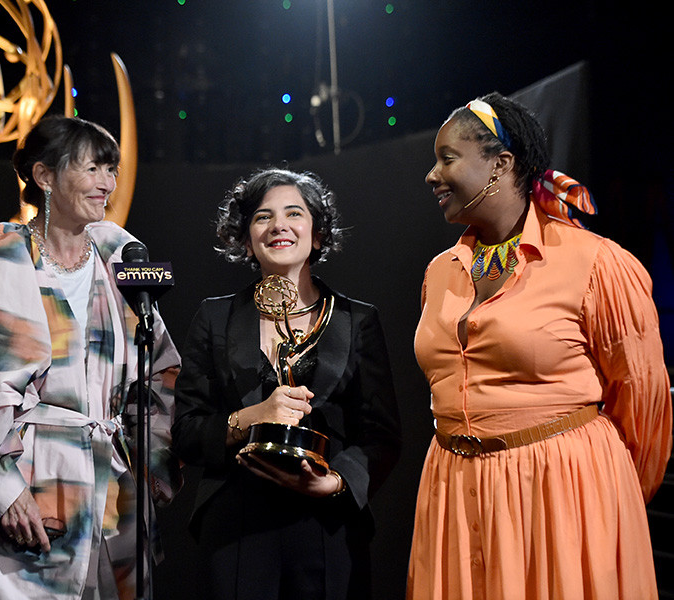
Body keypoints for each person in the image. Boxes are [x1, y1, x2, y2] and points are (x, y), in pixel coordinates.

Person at [407, 92, 672, 599]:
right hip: (455, 497)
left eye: (447, 158)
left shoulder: (594, 263)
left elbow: (643, 401)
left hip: (563, 496)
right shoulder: (441, 272)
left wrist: (608, 494)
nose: (432, 175)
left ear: (500, 164)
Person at [0, 115, 181, 599]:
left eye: (111, 169)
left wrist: (151, 465)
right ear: (45, 176)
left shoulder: (121, 254)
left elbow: (159, 367)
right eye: (93, 169)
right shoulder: (1, 255)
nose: (108, 183)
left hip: (116, 494)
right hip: (32, 482)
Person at [172, 168, 402, 599]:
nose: (279, 225)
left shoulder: (358, 321)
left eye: (294, 213)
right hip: (235, 527)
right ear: (245, 239)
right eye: (263, 216)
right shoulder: (214, 318)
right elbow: (185, 433)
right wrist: (253, 416)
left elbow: (382, 436)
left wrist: (334, 483)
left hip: (327, 526)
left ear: (317, 235)